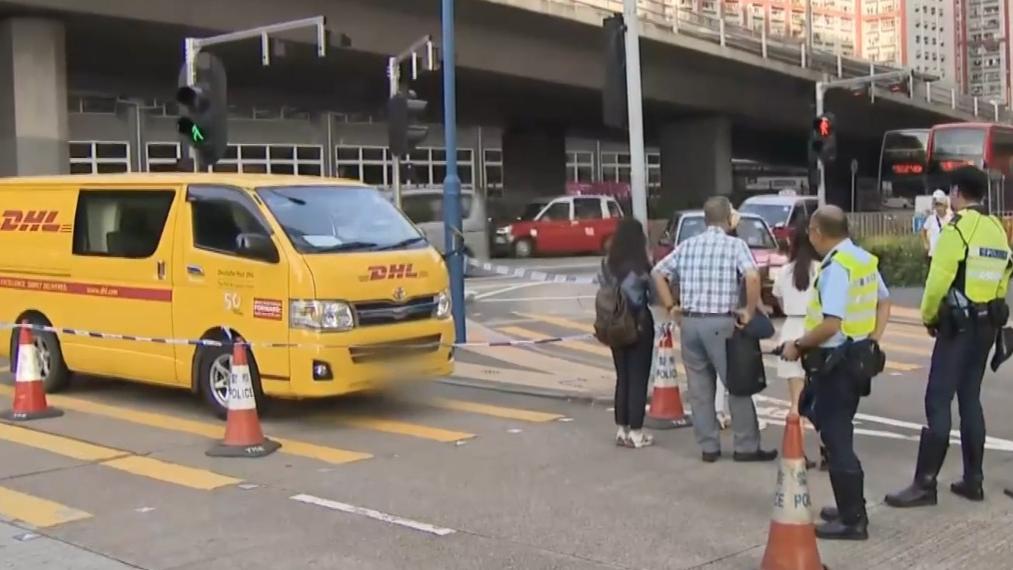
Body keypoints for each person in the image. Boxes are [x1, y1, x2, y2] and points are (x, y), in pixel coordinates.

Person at [885, 166, 1013, 508]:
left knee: (938, 400)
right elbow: (1006, 272)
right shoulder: (996, 229)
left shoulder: (957, 230)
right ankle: (974, 480)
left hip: (957, 327)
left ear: (957, 193)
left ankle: (925, 485)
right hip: (987, 325)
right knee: (970, 398)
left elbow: (937, 283)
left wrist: (929, 317)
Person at [780, 205, 891, 540]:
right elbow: (884, 301)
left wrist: (797, 345)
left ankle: (853, 520)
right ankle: (847, 508)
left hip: (836, 363)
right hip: (856, 358)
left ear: (817, 232)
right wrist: (872, 340)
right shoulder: (861, 259)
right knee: (839, 430)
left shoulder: (837, 267)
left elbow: (831, 324)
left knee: (836, 437)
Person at [653, 196, 776, 464]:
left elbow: (658, 273)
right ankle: (746, 446)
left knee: (699, 388)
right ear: (728, 218)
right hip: (722, 323)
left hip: (690, 323)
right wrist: (749, 310)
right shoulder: (735, 245)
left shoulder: (687, 245)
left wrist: (671, 306)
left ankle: (709, 446)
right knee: (737, 383)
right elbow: (752, 276)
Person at [771, 217, 826, 470]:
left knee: (796, 401)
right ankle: (827, 451)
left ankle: (797, 453)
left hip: (790, 331)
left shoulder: (784, 271)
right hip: (816, 331)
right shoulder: (823, 268)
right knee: (823, 399)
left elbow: (780, 302)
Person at [601, 218, 657, 449]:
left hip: (614, 323)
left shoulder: (608, 264)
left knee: (622, 376)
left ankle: (621, 429)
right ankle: (636, 432)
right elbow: (654, 297)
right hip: (638, 324)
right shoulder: (641, 267)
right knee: (638, 378)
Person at [920, 190, 951, 260]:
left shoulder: (950, 219)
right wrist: (925, 243)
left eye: (940, 205)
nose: (938, 208)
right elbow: (923, 231)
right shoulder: (931, 219)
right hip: (933, 254)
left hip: (946, 255)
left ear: (945, 205)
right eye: (936, 205)